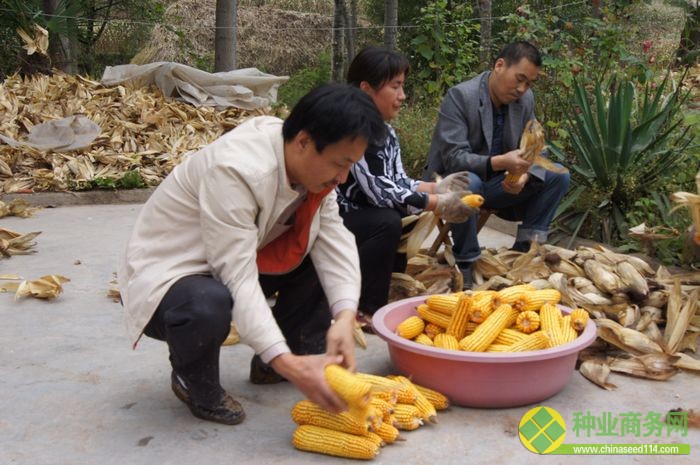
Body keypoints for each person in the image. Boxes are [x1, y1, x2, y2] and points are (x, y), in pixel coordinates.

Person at [118, 84, 387, 425]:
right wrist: (286, 362)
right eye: (339, 164)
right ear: (304, 141)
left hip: (230, 258)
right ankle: (196, 381)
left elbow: (335, 241)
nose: (343, 178)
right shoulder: (237, 171)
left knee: (314, 247)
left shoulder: (309, 169)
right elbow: (237, 276)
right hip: (170, 277)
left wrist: (346, 317)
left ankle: (280, 359)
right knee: (208, 303)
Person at [336, 46, 477, 327]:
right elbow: (378, 190)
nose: (402, 96)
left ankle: (390, 288)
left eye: (403, 86)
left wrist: (435, 188)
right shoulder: (351, 128)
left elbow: (398, 180)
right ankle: (365, 307)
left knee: (406, 213)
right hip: (336, 219)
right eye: (395, 86)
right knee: (388, 220)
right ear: (366, 89)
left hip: (366, 215)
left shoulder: (386, 132)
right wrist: (436, 203)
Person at [423, 41, 570, 288]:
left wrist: (523, 175)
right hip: (454, 186)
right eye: (519, 79)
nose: (522, 89)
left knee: (559, 175)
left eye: (529, 83)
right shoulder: (461, 96)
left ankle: (525, 252)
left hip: (499, 185)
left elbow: (534, 149)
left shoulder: (525, 99)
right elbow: (454, 158)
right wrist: (501, 162)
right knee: (468, 181)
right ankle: (467, 263)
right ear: (499, 65)